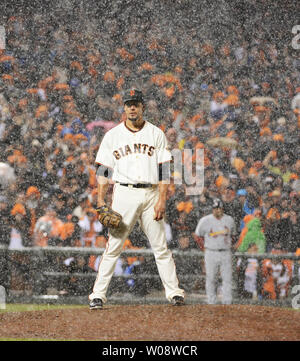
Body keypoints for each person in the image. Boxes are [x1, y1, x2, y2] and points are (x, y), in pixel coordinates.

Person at [88, 88, 185, 309]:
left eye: (136, 103)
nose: (132, 107)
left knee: (160, 247)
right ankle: (97, 295)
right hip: (124, 193)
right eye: (129, 103)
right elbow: (104, 170)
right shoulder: (112, 136)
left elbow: (164, 170)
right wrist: (101, 201)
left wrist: (162, 200)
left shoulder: (156, 134)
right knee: (114, 246)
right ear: (124, 107)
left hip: (152, 194)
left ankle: (174, 293)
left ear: (142, 107)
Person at [195, 198, 236, 304]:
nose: (217, 210)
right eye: (215, 208)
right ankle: (211, 301)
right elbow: (197, 235)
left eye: (219, 208)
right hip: (210, 251)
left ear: (222, 209)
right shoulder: (205, 220)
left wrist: (231, 246)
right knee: (211, 277)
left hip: (225, 251)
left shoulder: (229, 220)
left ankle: (227, 301)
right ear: (212, 209)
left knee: (227, 278)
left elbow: (234, 235)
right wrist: (203, 247)